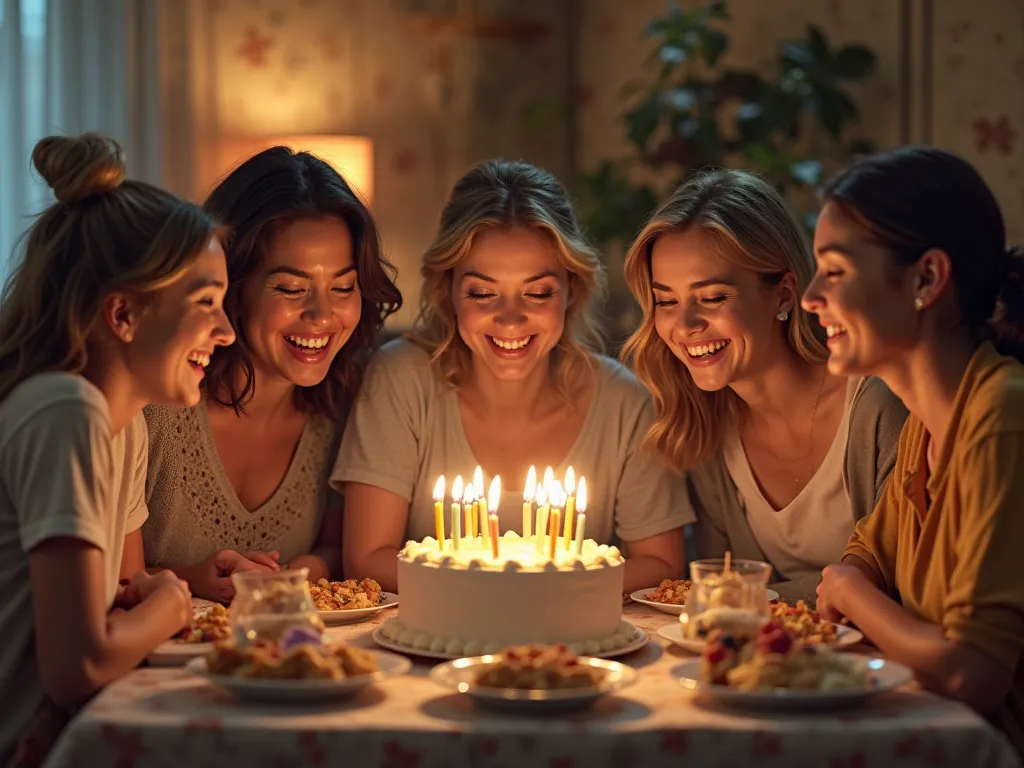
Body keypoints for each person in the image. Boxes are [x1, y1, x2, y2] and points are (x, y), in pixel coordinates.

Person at [333, 159, 691, 593]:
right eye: (483, 293)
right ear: (448, 291)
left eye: (538, 292)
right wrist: (512, 595)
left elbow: (661, 565)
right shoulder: (400, 380)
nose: (510, 319)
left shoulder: (625, 403)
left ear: (571, 290)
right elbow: (366, 559)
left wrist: (527, 595)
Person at [0, 133, 234, 763]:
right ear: (124, 314)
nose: (227, 330)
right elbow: (80, 664)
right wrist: (171, 603)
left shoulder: (124, 424)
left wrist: (146, 592)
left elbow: (118, 590)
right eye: (206, 303)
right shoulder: (63, 413)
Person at [806, 147, 1024, 753]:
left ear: (926, 278)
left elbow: (971, 672)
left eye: (836, 271)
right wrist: (856, 582)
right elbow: (863, 554)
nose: (809, 297)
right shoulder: (924, 427)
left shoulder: (1001, 418)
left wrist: (851, 594)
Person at [621, 169, 907, 602]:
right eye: (666, 301)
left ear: (785, 293)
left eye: (713, 297)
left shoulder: (877, 407)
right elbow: (729, 593)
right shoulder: (704, 427)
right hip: (772, 663)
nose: (685, 326)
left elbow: (903, 582)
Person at [143, 147, 401, 602]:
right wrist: (194, 580)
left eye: (343, 288)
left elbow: (336, 545)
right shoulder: (153, 403)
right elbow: (91, 583)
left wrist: (310, 568)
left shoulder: (348, 399)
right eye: (291, 288)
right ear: (230, 286)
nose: (322, 315)